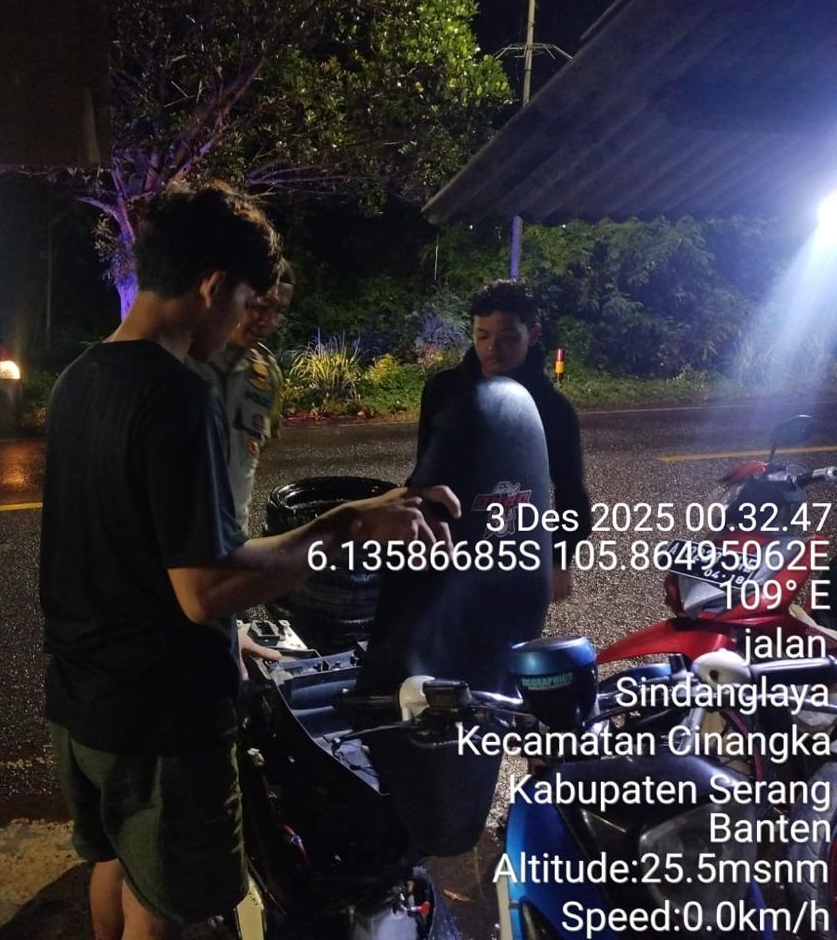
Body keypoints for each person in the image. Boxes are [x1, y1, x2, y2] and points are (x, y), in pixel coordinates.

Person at [40, 182, 459, 940]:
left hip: (82, 703)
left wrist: (231, 631)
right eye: (243, 299)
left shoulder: (80, 380)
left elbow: (130, 552)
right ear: (211, 285)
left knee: (116, 863)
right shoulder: (177, 396)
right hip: (163, 721)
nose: (243, 318)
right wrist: (350, 523)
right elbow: (207, 587)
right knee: (167, 909)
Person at [415, 279, 591, 601]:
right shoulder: (443, 390)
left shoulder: (554, 409)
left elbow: (570, 492)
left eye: (509, 338)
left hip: (516, 553)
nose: (492, 348)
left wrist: (560, 559)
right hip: (444, 547)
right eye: (482, 336)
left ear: (532, 334)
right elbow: (423, 473)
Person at [189, 259, 293, 533]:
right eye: (259, 307)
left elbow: (259, 449)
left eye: (279, 311)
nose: (268, 321)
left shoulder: (267, 377)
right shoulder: (181, 362)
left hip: (234, 539)